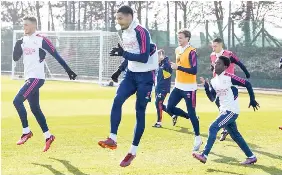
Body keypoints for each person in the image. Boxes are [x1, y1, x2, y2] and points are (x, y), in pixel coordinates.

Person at [98, 6, 158, 167]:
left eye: (121, 18)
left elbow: (144, 57)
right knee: (117, 100)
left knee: (139, 112)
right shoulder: (125, 32)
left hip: (146, 77)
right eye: (117, 18)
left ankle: (132, 151)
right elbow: (130, 54)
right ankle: (112, 138)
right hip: (130, 75)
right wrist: (119, 70)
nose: (118, 21)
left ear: (130, 17)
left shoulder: (141, 31)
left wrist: (123, 53)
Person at [12, 16, 77, 152]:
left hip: (36, 78)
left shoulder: (41, 39)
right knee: (35, 109)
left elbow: (56, 55)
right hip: (29, 78)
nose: (24, 27)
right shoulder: (23, 40)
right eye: (23, 25)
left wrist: (68, 70)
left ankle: (26, 132)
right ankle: (48, 136)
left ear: (34, 26)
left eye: (27, 25)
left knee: (17, 101)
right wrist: (17, 46)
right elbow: (16, 58)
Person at [193, 55, 259, 165]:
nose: (215, 65)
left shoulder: (229, 76)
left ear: (225, 66)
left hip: (231, 111)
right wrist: (206, 86)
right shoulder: (214, 81)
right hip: (224, 111)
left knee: (213, 127)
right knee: (235, 135)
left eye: (218, 63)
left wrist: (252, 99)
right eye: (215, 63)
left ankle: (204, 155)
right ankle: (251, 157)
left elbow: (247, 83)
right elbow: (212, 98)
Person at [167, 29, 202, 151]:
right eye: (178, 38)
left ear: (187, 38)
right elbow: (178, 65)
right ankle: (190, 118)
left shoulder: (192, 51)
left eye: (181, 38)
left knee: (192, 112)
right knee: (169, 107)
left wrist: (179, 67)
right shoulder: (177, 50)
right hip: (178, 86)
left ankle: (198, 138)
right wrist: (172, 66)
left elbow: (194, 70)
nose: (179, 40)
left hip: (189, 88)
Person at [210, 37, 250, 141]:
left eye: (215, 46)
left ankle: (226, 129)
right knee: (220, 105)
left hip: (230, 85)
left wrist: (246, 73)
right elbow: (213, 67)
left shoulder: (229, 54)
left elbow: (239, 63)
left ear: (220, 45)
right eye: (212, 46)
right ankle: (227, 128)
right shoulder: (212, 55)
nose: (214, 48)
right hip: (218, 85)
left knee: (228, 108)